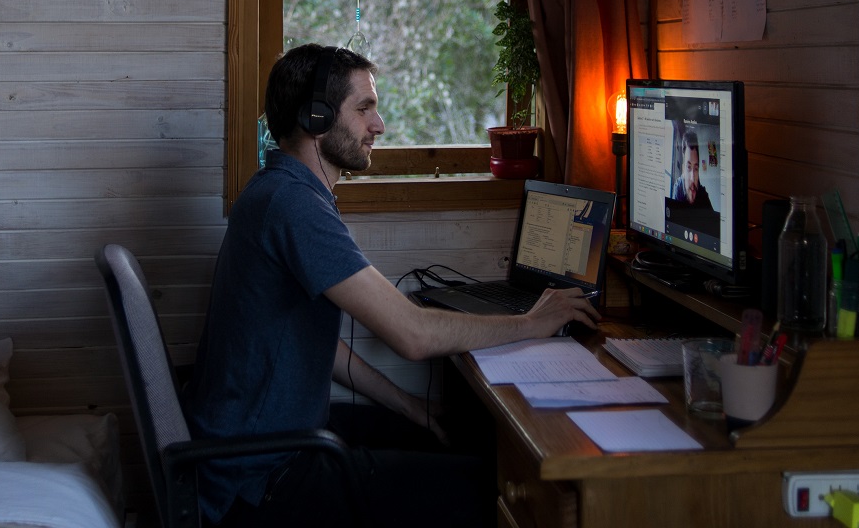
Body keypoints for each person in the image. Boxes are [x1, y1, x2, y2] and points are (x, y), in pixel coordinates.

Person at [183, 43, 601, 528]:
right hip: (260, 482)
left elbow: (318, 346)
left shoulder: (279, 190)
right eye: (364, 109)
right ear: (317, 119)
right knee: (491, 490)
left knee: (450, 435)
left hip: (260, 452)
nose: (378, 125)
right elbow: (413, 335)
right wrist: (532, 322)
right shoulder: (293, 205)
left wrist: (409, 406)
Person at [671, 127, 714, 209]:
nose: (692, 178)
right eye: (688, 167)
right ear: (683, 169)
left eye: (696, 169)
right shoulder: (678, 188)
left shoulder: (702, 192)